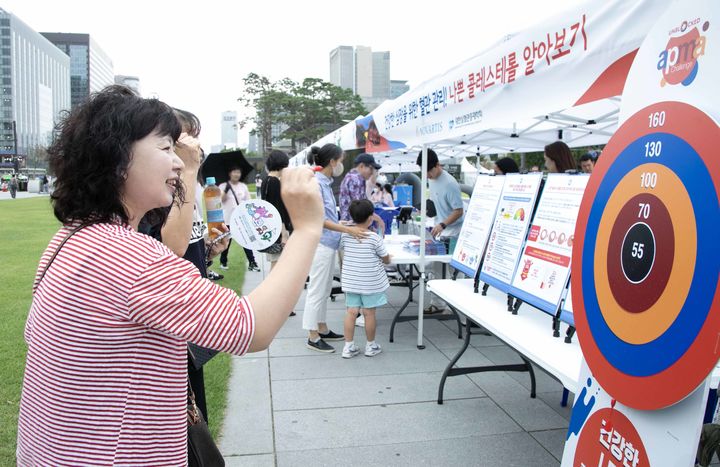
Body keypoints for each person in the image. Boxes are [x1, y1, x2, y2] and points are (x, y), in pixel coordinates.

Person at [17, 86, 324, 465]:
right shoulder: (129, 257)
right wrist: (308, 228)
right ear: (117, 159)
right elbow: (253, 327)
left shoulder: (71, 238)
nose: (179, 164)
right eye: (166, 149)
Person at [303, 143, 369, 353]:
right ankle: (312, 335)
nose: (341, 165)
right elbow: (319, 219)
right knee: (317, 290)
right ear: (332, 162)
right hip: (321, 243)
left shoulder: (325, 182)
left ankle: (321, 327)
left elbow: (330, 217)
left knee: (323, 289)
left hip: (328, 242)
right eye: (340, 161)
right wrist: (348, 230)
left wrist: (345, 226)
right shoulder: (317, 184)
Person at [416, 148, 465, 313]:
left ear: (438, 165)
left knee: (454, 272)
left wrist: (443, 224)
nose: (427, 176)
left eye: (429, 171)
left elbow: (458, 210)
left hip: (454, 232)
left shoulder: (450, 183)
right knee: (437, 269)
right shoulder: (432, 179)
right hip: (440, 231)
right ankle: (438, 304)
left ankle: (459, 309)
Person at [340, 199, 390, 358]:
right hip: (370, 283)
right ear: (370, 218)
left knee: (351, 313)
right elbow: (386, 259)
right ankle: (370, 346)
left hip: (351, 281)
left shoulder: (346, 235)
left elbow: (342, 246)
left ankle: (348, 347)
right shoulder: (374, 238)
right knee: (369, 314)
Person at [219, 166, 260, 271]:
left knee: (246, 241)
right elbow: (220, 201)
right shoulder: (223, 186)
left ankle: (252, 262)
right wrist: (226, 190)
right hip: (227, 219)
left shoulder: (243, 186)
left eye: (238, 172)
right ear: (230, 173)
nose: (236, 174)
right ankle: (223, 262)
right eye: (234, 172)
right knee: (227, 242)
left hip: (241, 220)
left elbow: (248, 202)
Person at [260, 150, 292, 270]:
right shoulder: (274, 182)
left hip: (271, 228)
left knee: (276, 265)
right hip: (277, 231)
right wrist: (283, 234)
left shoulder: (266, 181)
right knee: (277, 267)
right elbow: (277, 210)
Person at [338, 153, 382, 221]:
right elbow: (359, 207)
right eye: (371, 168)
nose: (372, 172)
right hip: (353, 223)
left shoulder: (353, 177)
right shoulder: (355, 179)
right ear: (361, 166)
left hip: (350, 222)